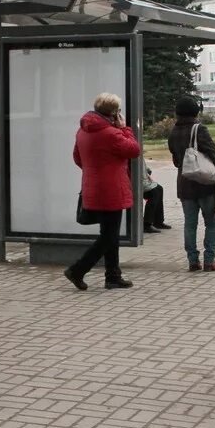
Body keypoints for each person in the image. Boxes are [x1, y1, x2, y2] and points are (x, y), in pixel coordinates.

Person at [64, 92, 140, 291]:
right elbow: (133, 150)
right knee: (108, 236)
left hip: (93, 187)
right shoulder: (111, 133)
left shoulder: (82, 131)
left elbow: (77, 158)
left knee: (109, 233)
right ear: (114, 113)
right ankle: (78, 270)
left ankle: (113, 276)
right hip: (112, 189)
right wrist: (125, 129)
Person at [168, 97, 215, 272]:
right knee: (211, 223)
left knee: (190, 224)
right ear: (196, 112)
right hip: (205, 185)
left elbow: (177, 161)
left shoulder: (173, 132)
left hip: (185, 184)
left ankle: (193, 260)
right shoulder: (199, 129)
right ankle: (209, 260)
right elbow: (213, 153)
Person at [142, 165, 171, 234]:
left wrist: (147, 170)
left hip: (143, 180)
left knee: (159, 188)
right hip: (136, 181)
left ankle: (158, 221)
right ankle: (147, 224)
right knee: (154, 193)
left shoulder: (140, 154)